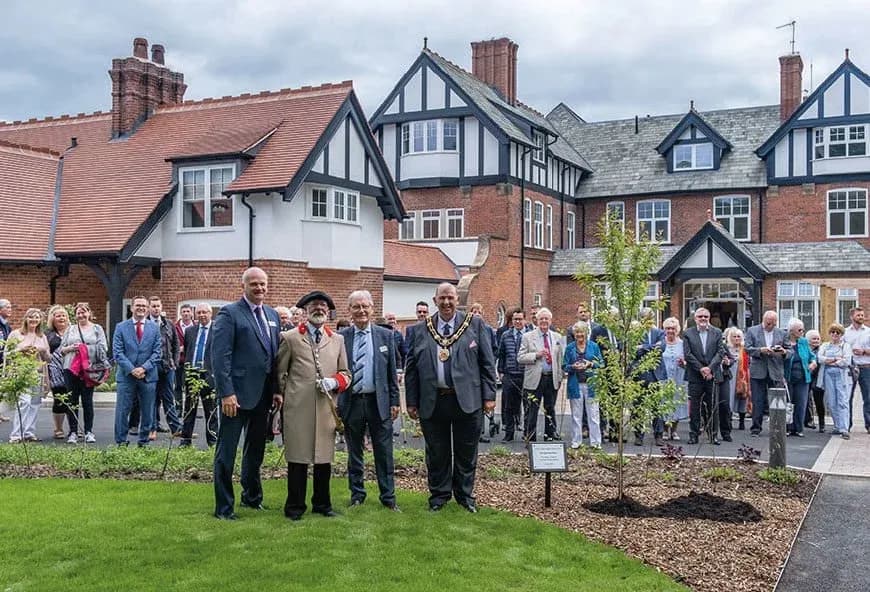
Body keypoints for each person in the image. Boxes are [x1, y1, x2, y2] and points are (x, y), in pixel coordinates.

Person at [405, 283, 496, 513]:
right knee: (437, 453)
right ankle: (439, 496)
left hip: (468, 399)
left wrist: (489, 396)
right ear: (435, 301)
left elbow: (487, 363)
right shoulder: (419, 330)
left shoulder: (475, 324)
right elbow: (411, 369)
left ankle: (465, 497)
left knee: (466, 452)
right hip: (433, 400)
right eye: (442, 298)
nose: (446, 303)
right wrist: (412, 401)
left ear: (458, 300)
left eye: (450, 298)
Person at [211, 267, 281, 520]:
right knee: (226, 453)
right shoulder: (230, 314)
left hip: (262, 395)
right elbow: (220, 357)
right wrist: (226, 393)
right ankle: (224, 507)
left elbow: (274, 357)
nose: (259, 288)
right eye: (254, 284)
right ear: (244, 286)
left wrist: (276, 390)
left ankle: (252, 498)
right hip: (236, 397)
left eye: (263, 284)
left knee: (256, 451)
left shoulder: (272, 314)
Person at [275, 290, 350, 520]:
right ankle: (295, 507)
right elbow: (280, 373)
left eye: (323, 307)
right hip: (298, 408)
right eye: (314, 306)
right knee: (297, 458)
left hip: (325, 408)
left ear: (328, 312)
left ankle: (322, 504)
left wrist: (333, 381)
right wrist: (288, 395)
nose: (319, 310)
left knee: (323, 459)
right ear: (305, 311)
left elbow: (346, 373)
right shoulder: (290, 337)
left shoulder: (337, 340)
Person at [339, 290, 400, 511]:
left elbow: (391, 373)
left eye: (365, 306)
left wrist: (395, 401)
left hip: (379, 402)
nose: (361, 311)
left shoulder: (386, 336)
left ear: (372, 309)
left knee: (384, 452)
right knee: (354, 452)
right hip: (352, 402)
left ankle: (388, 497)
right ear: (350, 310)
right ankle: (357, 494)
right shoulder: (341, 337)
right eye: (356, 307)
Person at [112, 296, 162, 447]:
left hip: (148, 376)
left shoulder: (154, 328)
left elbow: (157, 352)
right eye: (138, 305)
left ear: (147, 309)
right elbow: (117, 352)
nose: (141, 308)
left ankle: (144, 441)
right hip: (127, 376)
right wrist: (132, 369)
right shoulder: (121, 327)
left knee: (148, 410)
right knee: (122, 410)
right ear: (132, 308)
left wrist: (144, 368)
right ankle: (121, 442)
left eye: (144, 306)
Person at [59, 303, 107, 444]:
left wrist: (85, 349)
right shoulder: (71, 329)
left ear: (89, 313)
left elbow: (103, 347)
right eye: (78, 313)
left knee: (87, 401)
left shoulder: (97, 329)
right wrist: (71, 348)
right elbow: (62, 349)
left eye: (83, 312)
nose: (81, 315)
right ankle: (73, 432)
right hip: (71, 368)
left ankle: (88, 431)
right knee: (72, 400)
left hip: (88, 369)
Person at [518, 307, 564, 442]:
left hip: (551, 378)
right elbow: (520, 358)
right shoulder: (527, 337)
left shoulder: (557, 337)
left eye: (546, 319)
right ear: (537, 320)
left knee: (550, 408)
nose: (544, 321)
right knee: (532, 410)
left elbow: (559, 359)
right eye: (541, 318)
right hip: (534, 378)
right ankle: (530, 436)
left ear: (551, 321)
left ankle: (549, 434)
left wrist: (560, 377)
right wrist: (536, 355)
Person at [682, 308, 725, 445]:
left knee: (713, 406)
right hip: (695, 375)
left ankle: (713, 435)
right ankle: (694, 435)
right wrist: (701, 369)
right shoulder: (688, 333)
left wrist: (709, 368)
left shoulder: (717, 332)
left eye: (706, 316)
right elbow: (688, 354)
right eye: (700, 316)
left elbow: (720, 352)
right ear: (695, 319)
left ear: (709, 317)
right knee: (695, 407)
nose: (703, 319)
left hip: (712, 375)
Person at [6, 309, 50, 443]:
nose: (34, 320)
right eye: (31, 317)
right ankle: (16, 435)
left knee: (35, 403)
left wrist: (42, 350)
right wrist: (21, 349)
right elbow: (7, 354)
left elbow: (48, 358)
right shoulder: (16, 334)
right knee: (24, 402)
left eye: (37, 317)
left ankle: (29, 433)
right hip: (21, 372)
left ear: (40, 320)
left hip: (37, 373)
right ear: (26, 318)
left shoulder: (42, 336)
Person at [744, 310, 789, 436]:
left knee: (776, 401)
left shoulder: (782, 333)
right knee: (757, 400)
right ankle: (756, 428)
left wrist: (784, 352)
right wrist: (760, 350)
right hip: (758, 370)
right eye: (768, 323)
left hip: (775, 371)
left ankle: (777, 428)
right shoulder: (752, 331)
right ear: (764, 320)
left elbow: (790, 351)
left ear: (776, 322)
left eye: (772, 324)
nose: (770, 326)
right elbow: (747, 348)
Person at [180, 303, 218, 447]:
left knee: (211, 411)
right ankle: (185, 440)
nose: (202, 315)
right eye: (199, 312)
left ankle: (213, 441)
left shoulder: (217, 330)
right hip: (192, 375)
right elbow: (189, 350)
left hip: (209, 376)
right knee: (189, 410)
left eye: (205, 312)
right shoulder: (190, 331)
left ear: (210, 313)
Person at [147, 296, 182, 440]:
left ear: (161, 307)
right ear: (150, 308)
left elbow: (175, 345)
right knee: (152, 399)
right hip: (151, 367)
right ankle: (152, 428)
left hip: (167, 367)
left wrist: (175, 362)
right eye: (153, 306)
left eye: (158, 306)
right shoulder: (146, 324)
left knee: (169, 398)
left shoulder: (168, 324)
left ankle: (175, 428)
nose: (156, 308)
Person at [562, 321, 602, 448]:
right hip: (575, 384)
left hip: (591, 384)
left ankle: (595, 442)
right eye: (577, 332)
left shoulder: (594, 346)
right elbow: (564, 366)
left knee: (593, 415)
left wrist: (590, 364)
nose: (579, 335)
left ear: (586, 333)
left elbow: (601, 363)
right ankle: (576, 441)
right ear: (574, 334)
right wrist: (572, 366)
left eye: (582, 332)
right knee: (576, 416)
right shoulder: (570, 348)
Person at [497, 307, 528, 441]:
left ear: (524, 320)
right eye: (515, 319)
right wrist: (501, 371)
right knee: (508, 406)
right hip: (509, 374)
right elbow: (501, 354)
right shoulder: (506, 335)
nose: (518, 322)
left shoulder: (530, 335)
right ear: (512, 320)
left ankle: (527, 433)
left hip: (526, 374)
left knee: (527, 405)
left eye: (520, 319)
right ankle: (508, 434)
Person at [817, 323, 853, 439]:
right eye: (833, 332)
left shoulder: (845, 346)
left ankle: (844, 428)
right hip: (827, 375)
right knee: (831, 402)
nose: (835, 334)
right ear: (830, 333)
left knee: (842, 401)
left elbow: (846, 361)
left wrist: (832, 362)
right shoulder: (825, 345)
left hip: (841, 376)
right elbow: (820, 358)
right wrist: (835, 359)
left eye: (838, 332)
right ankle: (837, 426)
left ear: (841, 334)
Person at [783, 318, 816, 437]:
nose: (802, 332)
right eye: (800, 330)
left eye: (802, 329)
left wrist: (813, 362)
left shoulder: (803, 342)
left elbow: (812, 356)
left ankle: (798, 428)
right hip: (788, 376)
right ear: (791, 331)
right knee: (788, 403)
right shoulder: (784, 341)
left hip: (803, 377)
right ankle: (787, 427)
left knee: (801, 403)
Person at [661, 317, 689, 440]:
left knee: (677, 402)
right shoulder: (661, 343)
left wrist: (684, 363)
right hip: (663, 377)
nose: (670, 331)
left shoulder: (683, 344)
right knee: (663, 402)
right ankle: (664, 430)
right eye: (668, 328)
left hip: (679, 377)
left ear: (677, 330)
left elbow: (688, 360)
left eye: (673, 328)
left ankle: (674, 431)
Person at [45, 305, 71, 439]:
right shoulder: (48, 334)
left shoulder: (74, 331)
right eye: (58, 315)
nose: (61, 318)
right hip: (55, 372)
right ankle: (58, 428)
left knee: (72, 398)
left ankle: (73, 428)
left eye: (63, 315)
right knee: (59, 399)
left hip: (72, 369)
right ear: (52, 319)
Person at [843, 307, 870, 433]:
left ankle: (869, 424)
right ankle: (846, 425)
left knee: (868, 397)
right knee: (847, 396)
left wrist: (864, 351)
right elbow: (840, 348)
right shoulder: (845, 332)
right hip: (850, 367)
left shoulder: (869, 332)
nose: (861, 317)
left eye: (862, 315)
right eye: (858, 315)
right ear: (851, 317)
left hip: (866, 367)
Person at [722, 327, 750, 431]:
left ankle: (741, 421)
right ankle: (728, 420)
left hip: (742, 376)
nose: (737, 338)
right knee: (730, 398)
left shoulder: (744, 349)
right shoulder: (727, 348)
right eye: (734, 336)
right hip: (731, 376)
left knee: (742, 398)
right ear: (730, 337)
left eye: (739, 336)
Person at [806, 329, 826, 432]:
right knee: (805, 399)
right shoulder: (805, 349)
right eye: (814, 339)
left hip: (818, 378)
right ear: (808, 340)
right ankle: (808, 420)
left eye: (818, 338)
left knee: (819, 401)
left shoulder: (822, 349)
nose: (816, 341)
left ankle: (822, 424)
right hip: (807, 376)